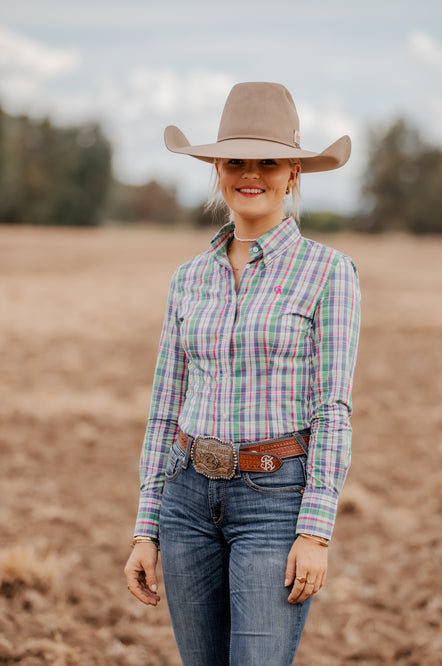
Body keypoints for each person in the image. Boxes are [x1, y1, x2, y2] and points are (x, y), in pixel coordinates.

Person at [124, 81, 361, 665]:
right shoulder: (188, 279)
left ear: (293, 175)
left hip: (275, 502)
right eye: (236, 162)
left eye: (268, 162)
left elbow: (332, 409)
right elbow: (164, 409)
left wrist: (315, 530)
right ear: (218, 170)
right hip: (185, 499)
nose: (249, 174)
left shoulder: (330, 274)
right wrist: (145, 527)